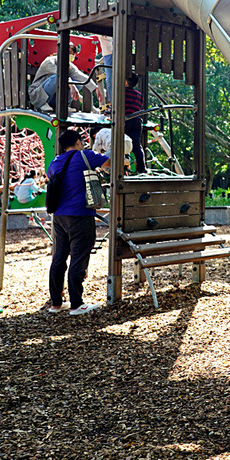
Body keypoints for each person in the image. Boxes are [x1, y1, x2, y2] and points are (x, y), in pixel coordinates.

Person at [45, 128, 110, 316]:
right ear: (79, 142)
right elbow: (112, 164)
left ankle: (56, 303)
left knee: (59, 258)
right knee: (79, 257)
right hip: (80, 215)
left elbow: (52, 179)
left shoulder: (55, 162)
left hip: (58, 216)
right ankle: (76, 303)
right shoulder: (84, 156)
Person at [29, 44, 87, 112]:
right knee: (56, 77)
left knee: (78, 81)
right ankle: (42, 104)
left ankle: (63, 105)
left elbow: (81, 77)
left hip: (53, 99)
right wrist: (72, 86)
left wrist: (96, 88)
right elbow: (60, 74)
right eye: (68, 53)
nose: (70, 55)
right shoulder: (49, 61)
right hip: (38, 96)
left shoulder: (69, 66)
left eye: (72, 54)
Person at [123, 72, 145, 173]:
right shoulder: (139, 95)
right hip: (137, 120)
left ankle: (123, 166)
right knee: (136, 145)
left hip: (126, 120)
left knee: (122, 142)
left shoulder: (122, 92)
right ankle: (141, 167)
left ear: (126, 82)